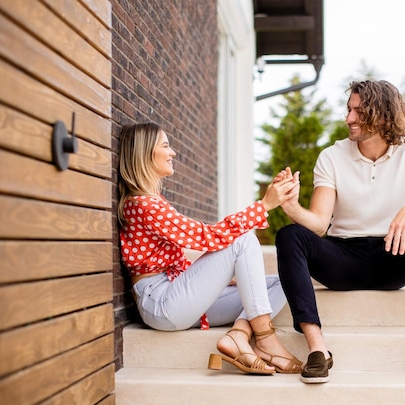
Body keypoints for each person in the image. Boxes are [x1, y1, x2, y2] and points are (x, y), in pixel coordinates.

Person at [273, 80, 405, 383]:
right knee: (289, 235)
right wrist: (291, 207)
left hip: (393, 256)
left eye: (359, 112)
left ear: (382, 115)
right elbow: (318, 223)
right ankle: (318, 349)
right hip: (341, 258)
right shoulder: (332, 156)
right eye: (349, 110)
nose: (349, 119)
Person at [117, 122, 303, 375]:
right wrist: (264, 205)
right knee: (242, 239)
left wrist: (229, 278)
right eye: (166, 146)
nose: (172, 153)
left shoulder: (153, 202)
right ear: (144, 153)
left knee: (287, 281)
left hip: (179, 297)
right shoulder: (142, 205)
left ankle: (239, 334)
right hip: (161, 303)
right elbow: (207, 237)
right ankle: (265, 338)